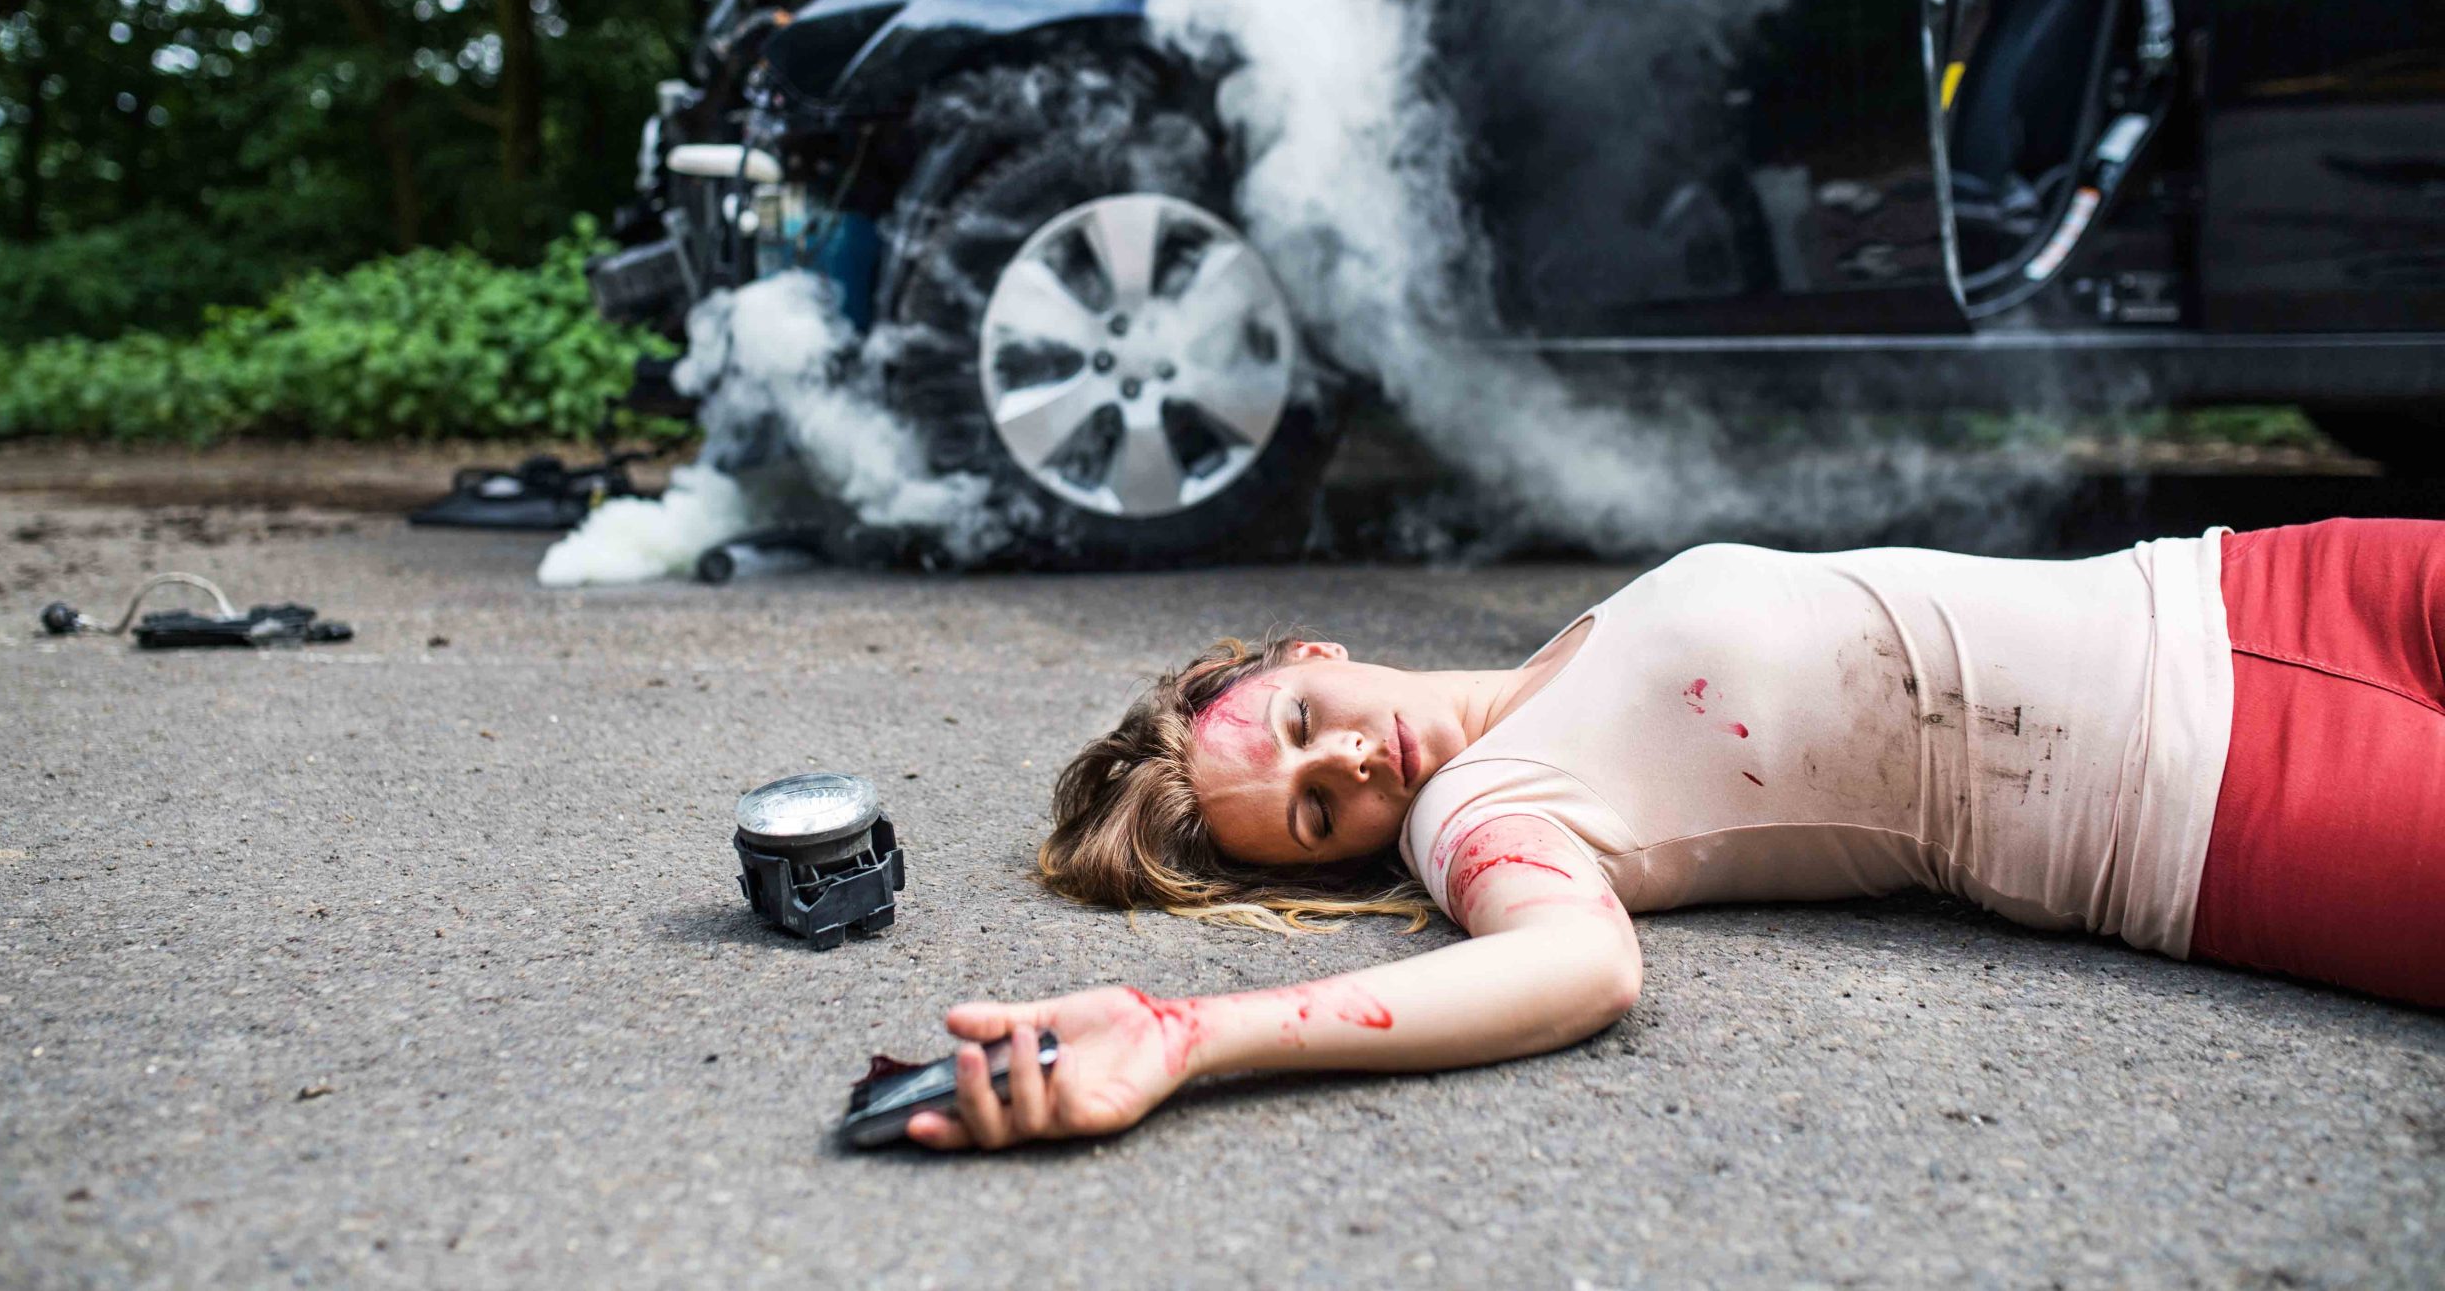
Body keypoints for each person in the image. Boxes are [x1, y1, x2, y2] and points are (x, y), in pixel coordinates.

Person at [904, 517, 2444, 1151]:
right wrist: (1196, 1035)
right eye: (1319, 817)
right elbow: (1575, 971)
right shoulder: (1475, 818)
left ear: (1309, 653)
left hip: (2263, 585)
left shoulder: (1569, 643)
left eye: (1311, 726)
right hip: (2229, 800)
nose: (1360, 762)